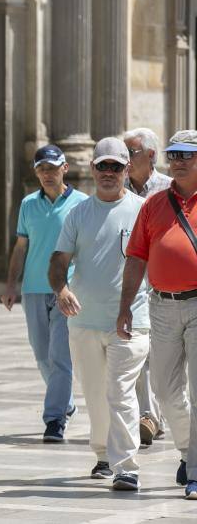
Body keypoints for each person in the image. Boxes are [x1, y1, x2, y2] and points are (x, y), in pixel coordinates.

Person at [49, 137, 149, 491]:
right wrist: (61, 289)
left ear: (128, 170)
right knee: (94, 393)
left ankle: (127, 467)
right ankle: (104, 455)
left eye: (116, 167)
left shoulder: (143, 209)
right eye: (102, 166)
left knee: (119, 391)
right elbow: (59, 260)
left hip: (132, 321)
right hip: (84, 320)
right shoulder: (78, 213)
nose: (109, 173)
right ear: (92, 169)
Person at [118, 129, 197, 499]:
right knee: (165, 393)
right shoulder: (153, 205)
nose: (178, 162)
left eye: (187, 155)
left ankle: (196, 470)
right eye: (173, 155)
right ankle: (188, 450)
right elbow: (136, 257)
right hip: (161, 305)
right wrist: (125, 308)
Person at [1, 145, 87, 442]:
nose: (47, 175)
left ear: (65, 168)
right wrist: (11, 284)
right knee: (41, 354)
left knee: (60, 356)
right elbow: (20, 247)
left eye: (52, 168)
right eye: (42, 169)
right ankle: (66, 402)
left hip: (67, 290)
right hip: (34, 289)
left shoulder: (82, 204)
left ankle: (54, 420)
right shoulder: (27, 204)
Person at [123, 127, 172, 446]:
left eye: (131, 154)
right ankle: (149, 417)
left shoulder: (171, 188)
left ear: (151, 156)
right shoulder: (118, 190)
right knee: (137, 350)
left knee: (165, 358)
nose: (125, 161)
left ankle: (162, 414)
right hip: (135, 283)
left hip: (169, 282)